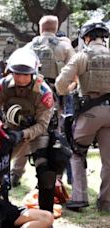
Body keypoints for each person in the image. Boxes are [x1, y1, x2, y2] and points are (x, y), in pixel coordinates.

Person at [0, 48, 56, 212]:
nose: (20, 78)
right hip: (11, 130)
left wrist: (23, 134)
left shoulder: (43, 92)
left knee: (46, 172)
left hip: (37, 133)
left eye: (25, 74)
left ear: (33, 73)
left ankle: (46, 213)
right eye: (16, 73)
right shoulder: (3, 85)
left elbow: (42, 125)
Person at [11, 15, 75, 186]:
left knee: (27, 131)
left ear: (40, 28)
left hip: (28, 97)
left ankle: (16, 174)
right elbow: (74, 73)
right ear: (56, 27)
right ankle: (53, 176)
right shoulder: (64, 47)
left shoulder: (29, 46)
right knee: (54, 136)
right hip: (53, 97)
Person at [55, 21, 110, 211]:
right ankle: (106, 202)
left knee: (76, 152)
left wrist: (74, 85)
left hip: (90, 113)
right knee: (109, 160)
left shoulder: (82, 56)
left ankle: (79, 197)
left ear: (86, 37)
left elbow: (61, 85)